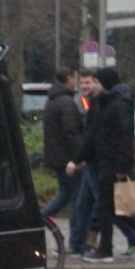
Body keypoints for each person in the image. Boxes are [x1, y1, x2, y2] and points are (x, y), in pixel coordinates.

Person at [67, 67, 135, 262]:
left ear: (106, 84)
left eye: (97, 82)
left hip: (110, 164)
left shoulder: (116, 105)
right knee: (109, 207)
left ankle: (107, 249)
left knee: (107, 207)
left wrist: (120, 167)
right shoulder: (108, 102)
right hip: (105, 162)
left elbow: (120, 138)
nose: (93, 85)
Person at [40, 65, 83, 218]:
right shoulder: (67, 103)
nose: (77, 82)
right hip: (67, 159)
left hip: (57, 157)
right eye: (76, 78)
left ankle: (41, 218)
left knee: (65, 195)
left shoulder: (52, 100)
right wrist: (79, 157)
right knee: (77, 197)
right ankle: (40, 219)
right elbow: (71, 132)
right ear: (69, 78)